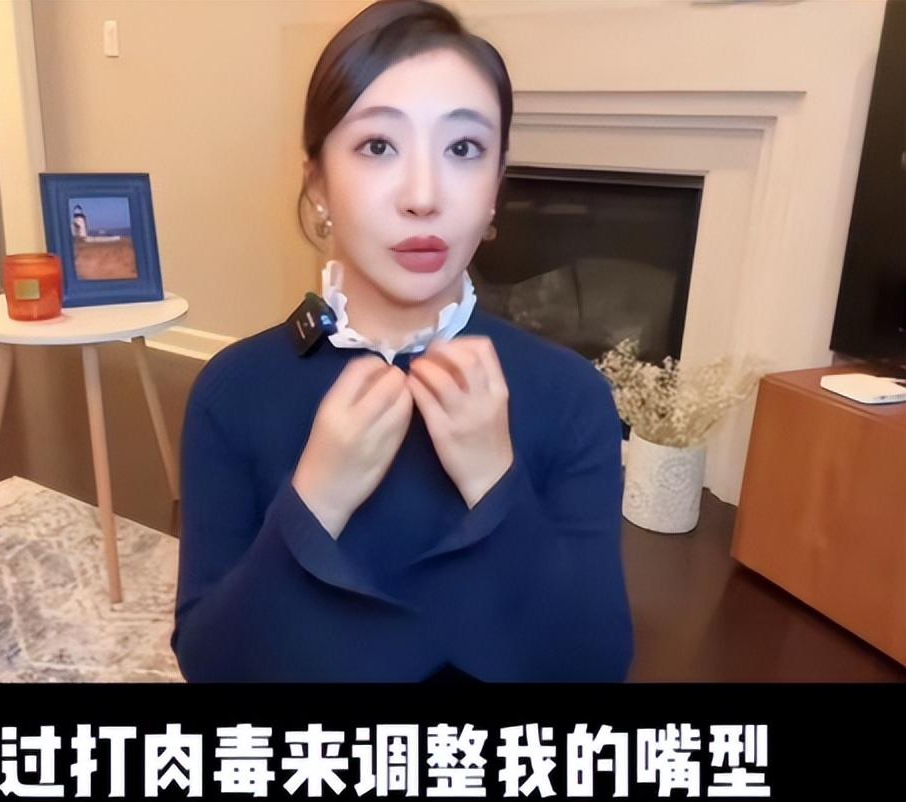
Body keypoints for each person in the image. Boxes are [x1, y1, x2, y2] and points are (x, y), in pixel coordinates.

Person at [170, 0, 634, 682]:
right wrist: (315, 500)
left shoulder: (573, 398)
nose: (424, 196)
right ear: (318, 182)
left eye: (464, 149)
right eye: (379, 146)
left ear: (496, 186)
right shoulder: (231, 392)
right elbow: (212, 666)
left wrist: (494, 481)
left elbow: (592, 668)